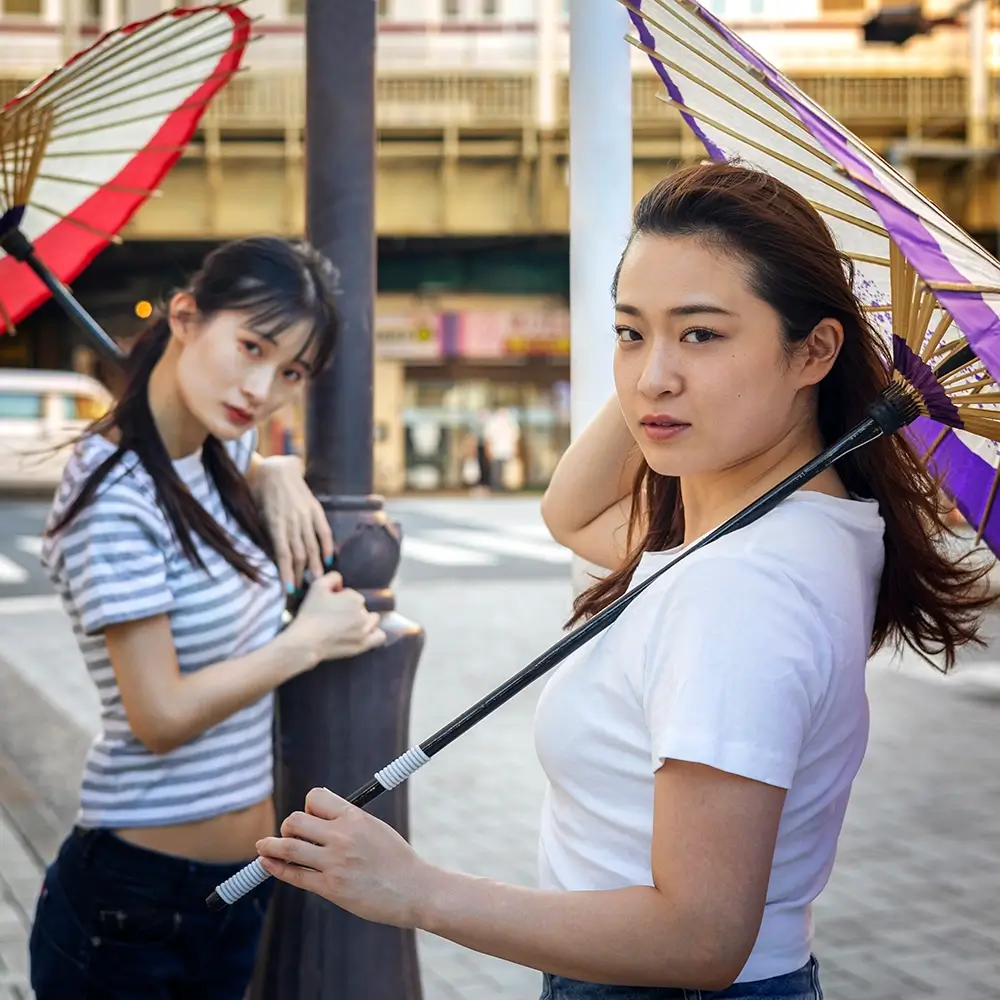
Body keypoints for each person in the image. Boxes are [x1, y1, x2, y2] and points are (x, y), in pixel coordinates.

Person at [252, 164, 991, 998]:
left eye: (704, 334)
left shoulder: (741, 588)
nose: (650, 377)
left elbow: (701, 935)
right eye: (629, 332)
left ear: (814, 351)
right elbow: (572, 511)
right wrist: (671, 358)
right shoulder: (814, 525)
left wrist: (418, 890)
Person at [28, 236, 387, 1000]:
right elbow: (157, 716)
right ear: (186, 317)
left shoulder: (221, 449)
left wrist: (275, 469)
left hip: (237, 887)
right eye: (250, 347)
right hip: (131, 908)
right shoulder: (114, 500)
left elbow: (236, 446)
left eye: (290, 371)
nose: (260, 388)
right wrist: (304, 643)